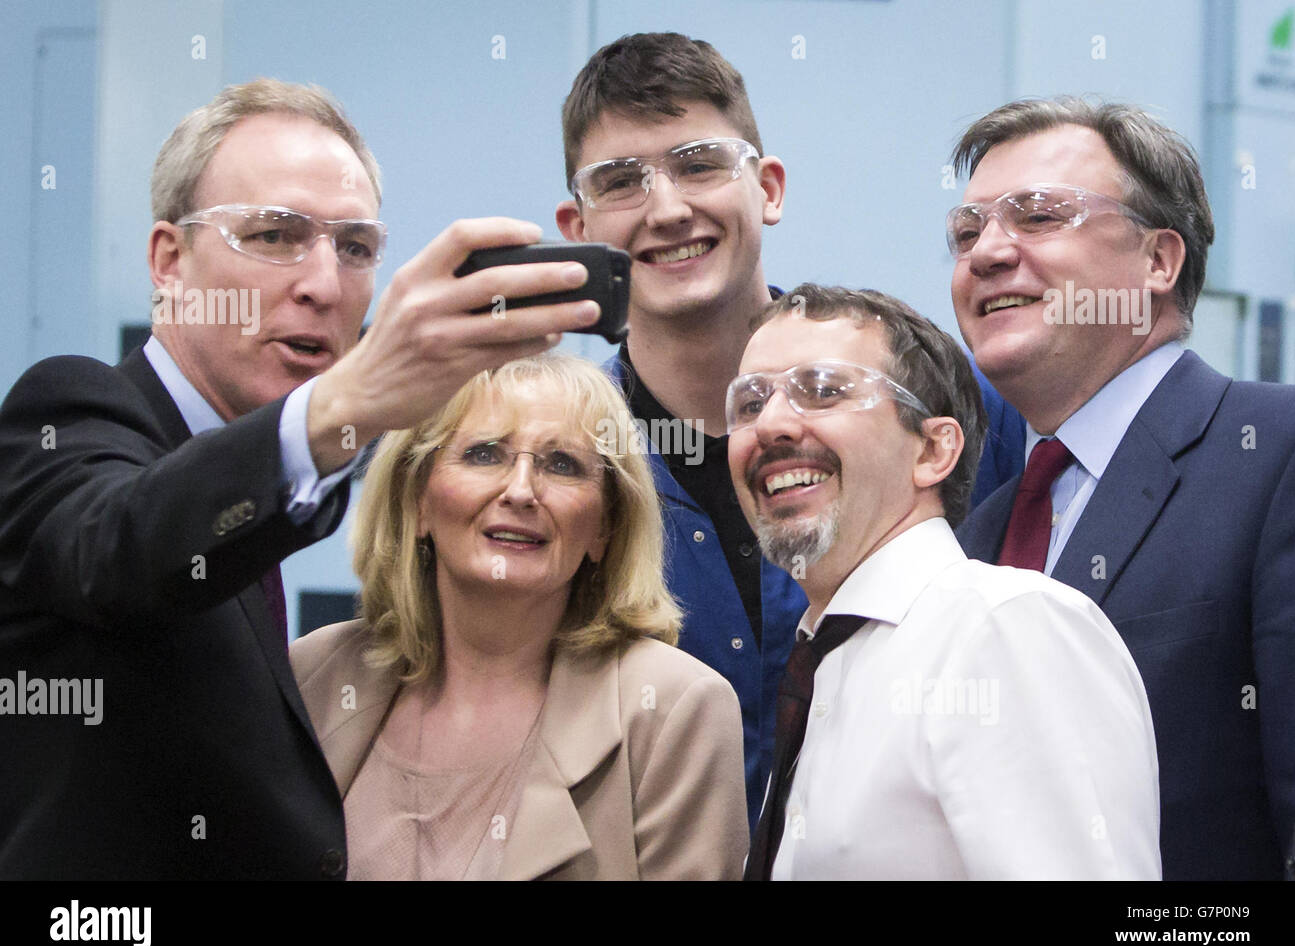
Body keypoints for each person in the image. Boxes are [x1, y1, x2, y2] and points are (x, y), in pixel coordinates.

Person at [0, 79, 599, 878]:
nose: (323, 284)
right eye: (276, 236)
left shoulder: (279, 485)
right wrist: (347, 402)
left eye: (354, 247)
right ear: (168, 261)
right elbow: (126, 544)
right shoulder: (72, 410)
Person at [555, 32, 1025, 828]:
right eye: (621, 181)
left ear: (768, 187)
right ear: (577, 227)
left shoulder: (948, 408)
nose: (667, 208)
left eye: (700, 163)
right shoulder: (560, 463)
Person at [949, 97, 1295, 880]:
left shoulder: (1279, 454)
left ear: (1158, 262)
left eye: (1037, 216)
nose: (986, 253)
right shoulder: (977, 535)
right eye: (966, 232)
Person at [730, 285, 1160, 880]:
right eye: (749, 404)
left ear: (934, 450)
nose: (769, 423)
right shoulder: (823, 661)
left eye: (823, 391)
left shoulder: (1004, 628)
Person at [290, 354, 748, 880]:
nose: (521, 491)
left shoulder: (672, 711)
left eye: (562, 465)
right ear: (417, 499)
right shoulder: (314, 676)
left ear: (604, 528)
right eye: (485, 455)